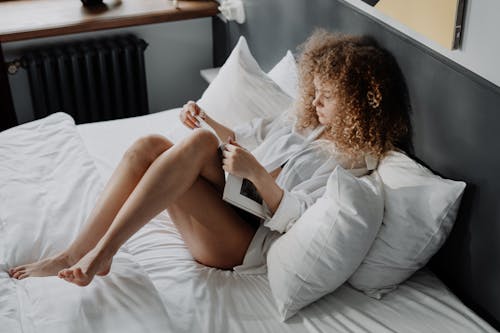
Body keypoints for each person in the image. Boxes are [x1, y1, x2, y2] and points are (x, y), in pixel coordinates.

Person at [8, 29, 412, 286]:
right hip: (233, 198)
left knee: (199, 146)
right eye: (315, 91)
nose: (315, 102)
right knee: (148, 145)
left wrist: (256, 174)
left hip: (247, 239)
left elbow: (299, 219)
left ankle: (104, 251)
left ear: (362, 102)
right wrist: (208, 121)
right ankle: (73, 251)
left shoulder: (355, 165)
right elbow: (245, 139)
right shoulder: (307, 122)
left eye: (328, 96)